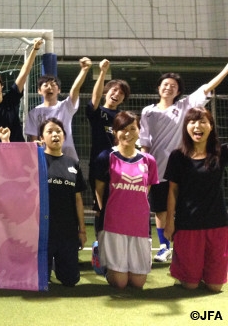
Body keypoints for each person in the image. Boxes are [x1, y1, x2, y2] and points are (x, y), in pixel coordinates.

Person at [140, 64, 228, 262]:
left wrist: (226, 70)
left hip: (184, 168)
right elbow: (145, 141)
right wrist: (144, 167)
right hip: (158, 169)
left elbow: (207, 87)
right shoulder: (148, 111)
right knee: (161, 210)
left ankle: (184, 245)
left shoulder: (184, 106)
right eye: (165, 84)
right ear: (158, 88)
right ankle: (164, 247)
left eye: (173, 85)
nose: (168, 88)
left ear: (178, 91)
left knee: (183, 208)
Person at [164, 107, 228, 293]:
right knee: (191, 285)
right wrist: (169, 222)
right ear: (186, 127)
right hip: (188, 224)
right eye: (192, 122)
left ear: (211, 126)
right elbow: (172, 191)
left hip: (217, 223)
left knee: (215, 287)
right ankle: (185, 272)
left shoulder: (221, 153)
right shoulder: (177, 157)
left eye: (202, 122)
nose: (197, 126)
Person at [94, 111, 159, 289]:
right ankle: (102, 258)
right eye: (122, 128)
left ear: (139, 131)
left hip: (139, 224)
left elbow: (146, 190)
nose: (128, 133)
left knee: (138, 283)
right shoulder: (106, 157)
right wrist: (105, 214)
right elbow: (99, 189)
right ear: (115, 132)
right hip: (114, 225)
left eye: (132, 128)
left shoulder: (149, 160)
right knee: (120, 283)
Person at [85, 60, 130, 270]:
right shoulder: (98, 112)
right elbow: (94, 99)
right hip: (99, 167)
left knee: (119, 208)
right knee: (100, 209)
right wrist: (102, 72)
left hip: (120, 169)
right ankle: (100, 250)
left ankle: (118, 252)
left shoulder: (122, 119)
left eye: (121, 93)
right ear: (106, 91)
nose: (116, 94)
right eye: (113, 90)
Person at [39, 118, 87, 287]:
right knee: (41, 280)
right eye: (50, 131)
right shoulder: (36, 161)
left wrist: (82, 230)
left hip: (67, 230)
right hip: (43, 229)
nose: (55, 135)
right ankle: (46, 267)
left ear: (64, 137)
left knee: (70, 280)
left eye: (58, 131)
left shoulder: (72, 163)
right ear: (42, 138)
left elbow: (78, 199)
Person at [25, 57, 92, 160]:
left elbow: (75, 89)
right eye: (45, 85)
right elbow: (34, 139)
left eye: (53, 84)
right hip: (45, 158)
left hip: (68, 156)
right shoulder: (34, 113)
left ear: (59, 90)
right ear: (39, 91)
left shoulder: (66, 106)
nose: (49, 87)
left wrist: (84, 70)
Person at [0, 38, 44, 142]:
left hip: (17, 149)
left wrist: (35, 49)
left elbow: (24, 73)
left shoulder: (11, 98)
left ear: (2, 85)